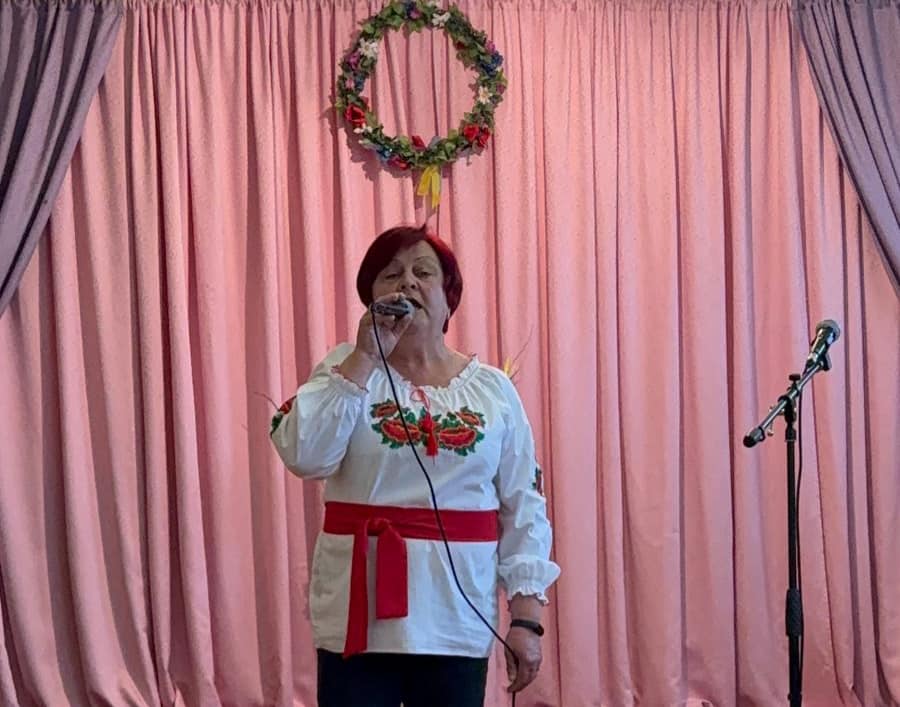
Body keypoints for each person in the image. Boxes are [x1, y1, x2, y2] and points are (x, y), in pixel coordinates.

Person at [270, 224, 560, 707]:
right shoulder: (343, 370)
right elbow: (305, 456)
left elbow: (523, 503)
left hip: (457, 618)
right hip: (357, 620)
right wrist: (364, 358)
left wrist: (527, 618)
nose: (406, 282)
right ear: (371, 299)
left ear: (448, 299)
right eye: (390, 274)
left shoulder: (492, 390)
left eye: (423, 272)